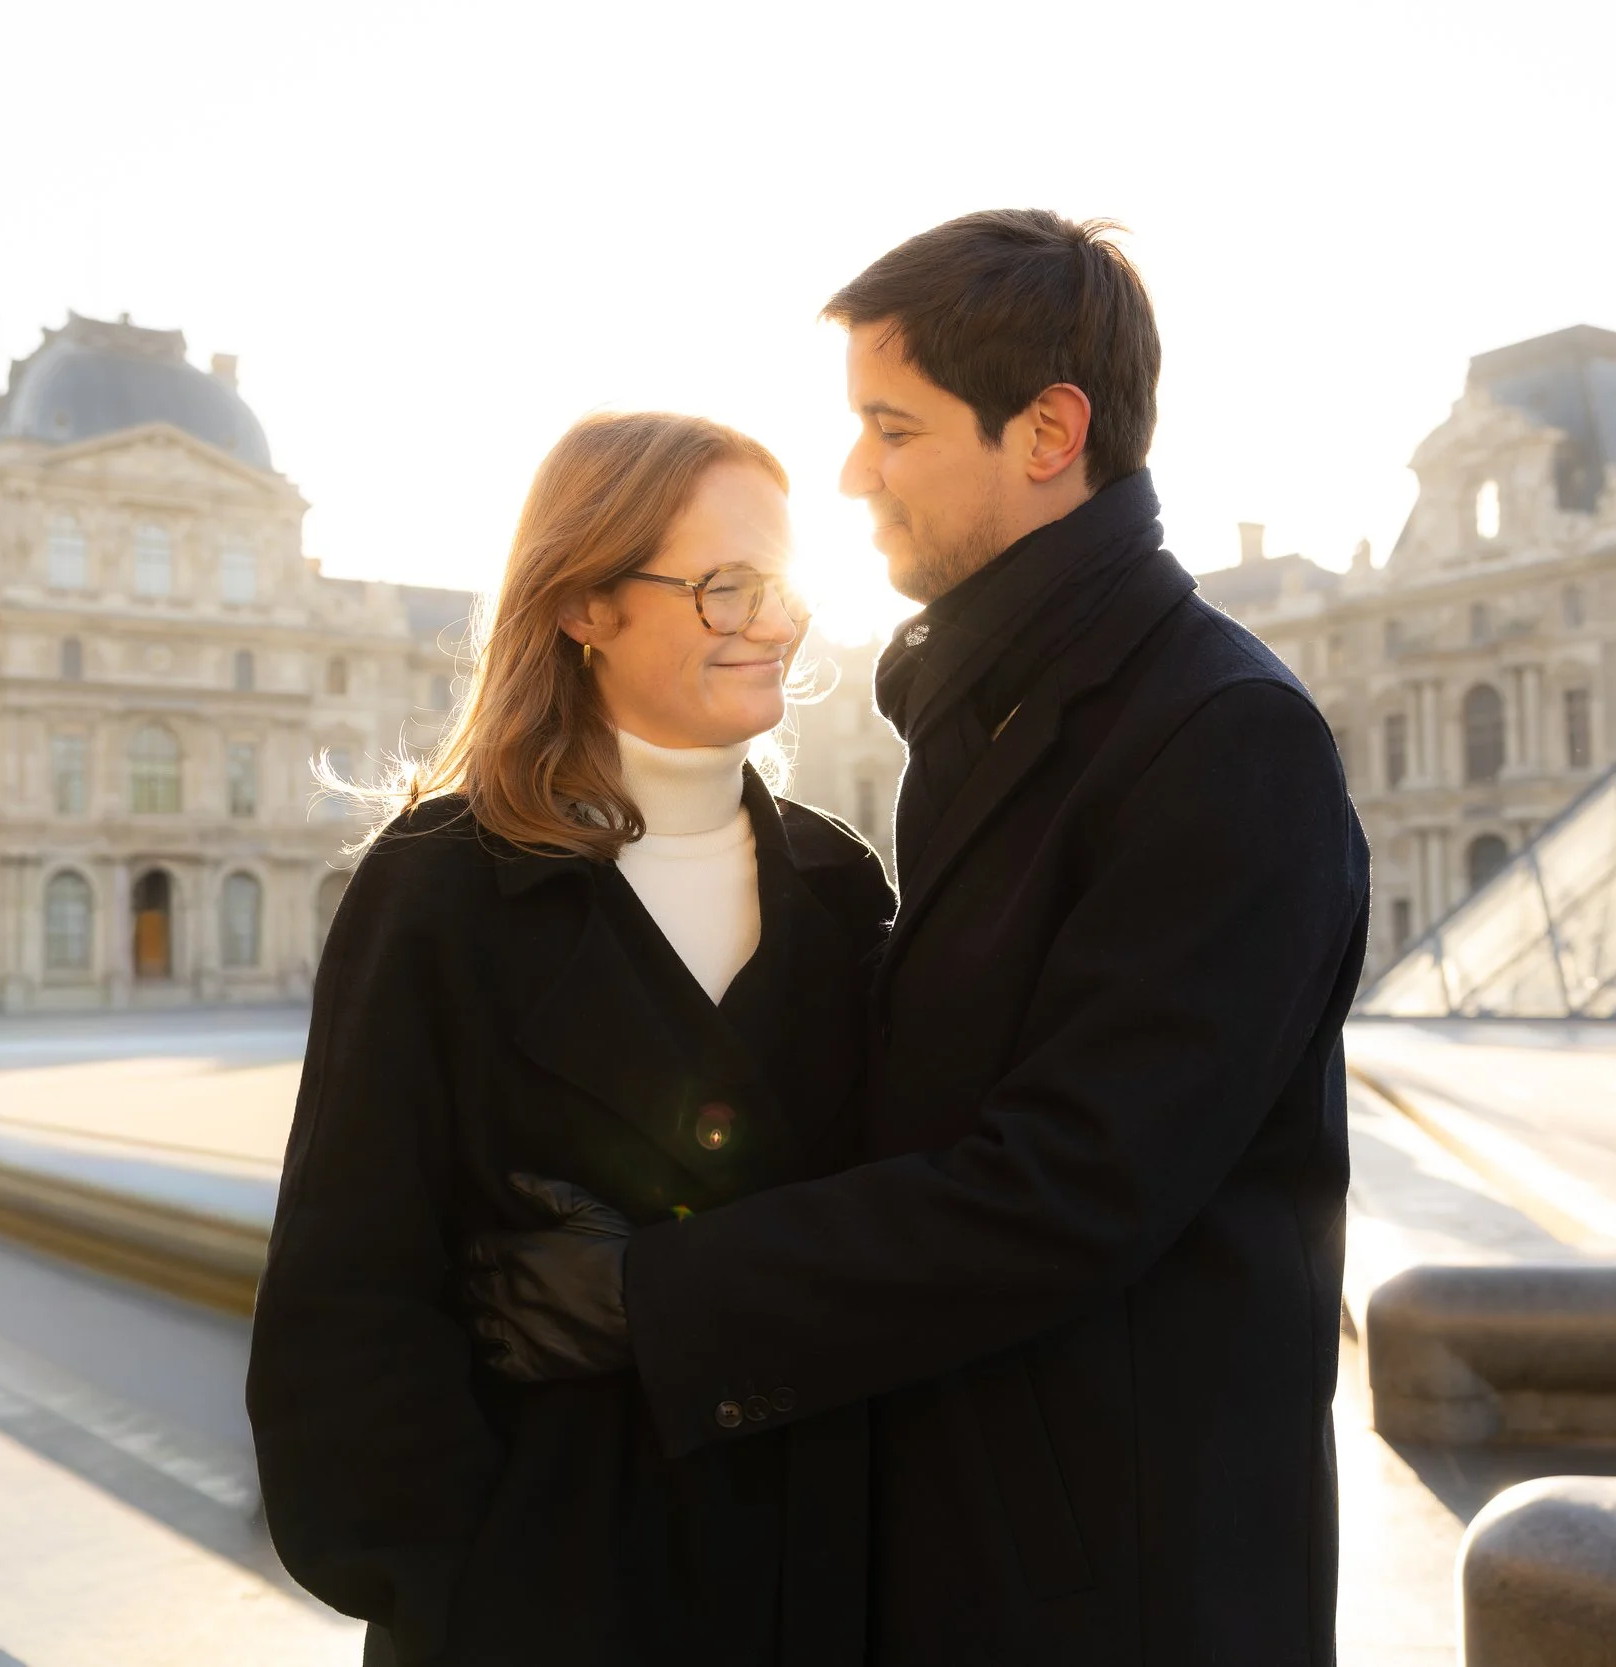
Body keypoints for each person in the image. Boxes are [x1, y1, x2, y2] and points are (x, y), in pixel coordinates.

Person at [464, 210, 1372, 1665]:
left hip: (1123, 1593)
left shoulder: (1222, 737)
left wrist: (657, 1292)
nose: (851, 474)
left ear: (1047, 431)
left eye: (892, 427)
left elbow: (1069, 1185)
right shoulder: (1003, 702)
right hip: (993, 1544)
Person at [246, 411, 893, 1667]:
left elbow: (897, 1227)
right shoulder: (437, 882)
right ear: (586, 604)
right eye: (725, 587)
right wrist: (456, 1582)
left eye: (784, 583)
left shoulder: (840, 879)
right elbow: (349, 1292)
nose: (777, 621)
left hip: (809, 1583)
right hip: (544, 1599)